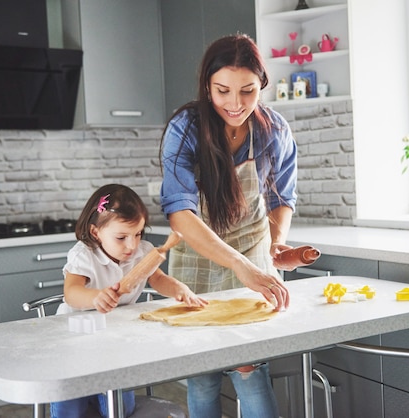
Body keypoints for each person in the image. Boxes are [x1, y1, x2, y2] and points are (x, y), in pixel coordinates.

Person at [159, 33, 298, 418]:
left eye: (248, 91)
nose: (235, 104)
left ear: (261, 86)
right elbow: (180, 213)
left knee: (249, 368)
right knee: (203, 375)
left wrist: (275, 245)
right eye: (223, 91)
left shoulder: (274, 132)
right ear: (207, 85)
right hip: (198, 254)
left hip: (253, 252)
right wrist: (239, 264)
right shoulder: (185, 129)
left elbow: (281, 200)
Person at [51, 183, 206, 418]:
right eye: (122, 237)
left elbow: (157, 278)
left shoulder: (143, 252)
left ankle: (99, 395)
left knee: (122, 407)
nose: (131, 245)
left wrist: (178, 288)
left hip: (116, 341)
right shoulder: (84, 255)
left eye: (138, 234)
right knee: (71, 409)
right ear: (96, 233)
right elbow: (71, 292)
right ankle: (85, 395)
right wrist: (96, 297)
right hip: (76, 340)